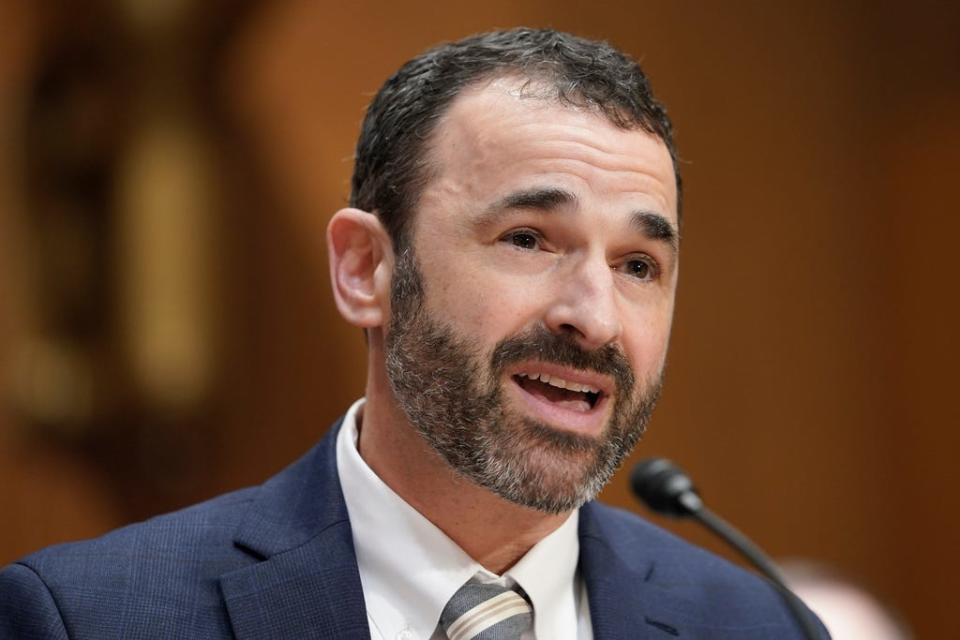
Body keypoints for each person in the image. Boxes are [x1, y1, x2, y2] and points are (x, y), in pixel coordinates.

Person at [0, 28, 826, 639]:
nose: (595, 316)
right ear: (366, 269)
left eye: (639, 265)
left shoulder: (761, 627)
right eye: (529, 239)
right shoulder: (91, 618)